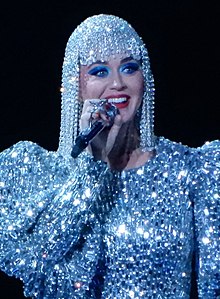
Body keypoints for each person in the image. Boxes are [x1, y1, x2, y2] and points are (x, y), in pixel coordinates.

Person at [0, 14, 219, 299]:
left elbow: (213, 284)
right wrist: (93, 164)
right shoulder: (40, 174)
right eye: (99, 71)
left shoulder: (193, 170)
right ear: (76, 86)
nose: (118, 83)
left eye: (129, 68)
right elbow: (39, 258)